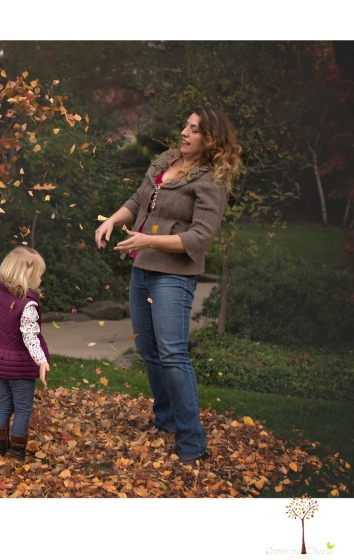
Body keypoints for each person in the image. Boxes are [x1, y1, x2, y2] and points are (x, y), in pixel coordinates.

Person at [95, 106, 241, 465]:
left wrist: (148, 240)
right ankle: (166, 419)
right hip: (142, 269)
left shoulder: (211, 180)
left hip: (173, 276)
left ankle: (192, 443)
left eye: (195, 129)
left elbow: (200, 237)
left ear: (212, 140)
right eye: (186, 125)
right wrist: (112, 220)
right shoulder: (166, 161)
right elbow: (138, 201)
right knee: (148, 349)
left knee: (173, 354)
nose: (185, 133)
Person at [0, 247, 51, 460]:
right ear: (26, 276)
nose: (40, 280)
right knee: (22, 409)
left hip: (0, 363)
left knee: (5, 403)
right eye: (38, 275)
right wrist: (41, 361)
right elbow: (30, 337)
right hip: (19, 367)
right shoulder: (27, 305)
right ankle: (17, 454)